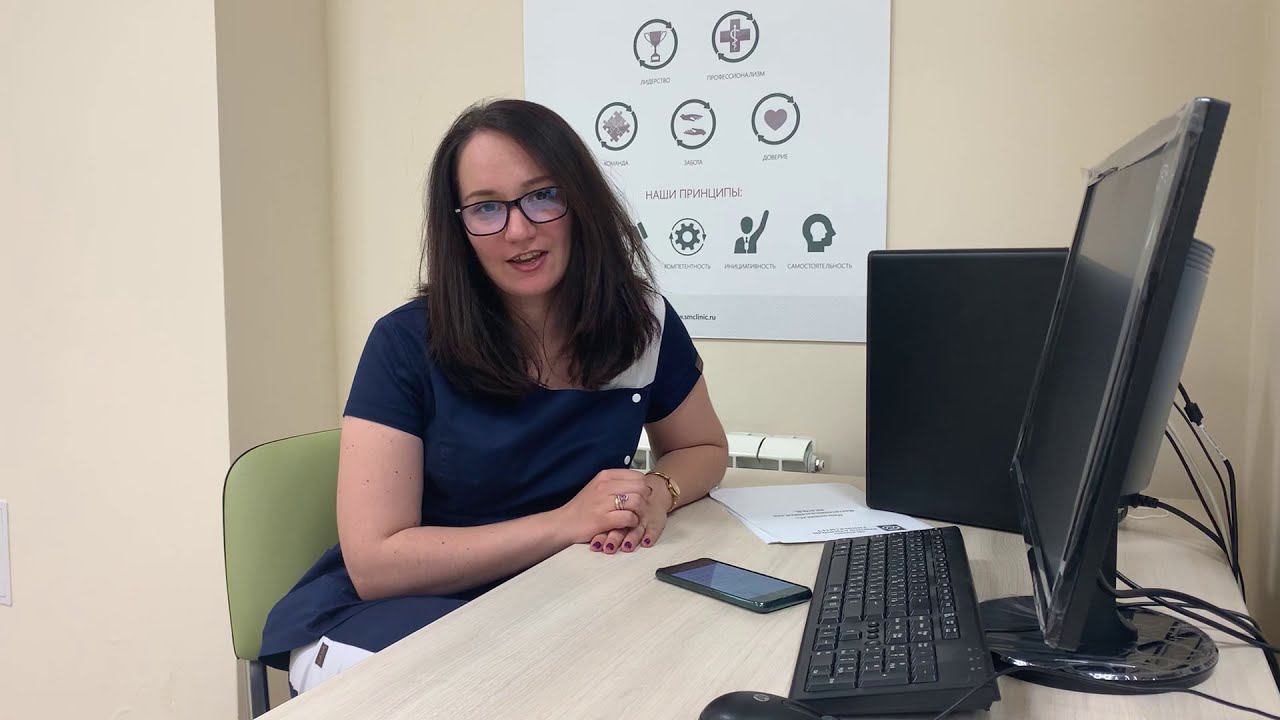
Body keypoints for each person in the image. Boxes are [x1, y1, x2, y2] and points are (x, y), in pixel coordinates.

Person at [257, 99, 730, 695]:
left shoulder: (640, 322)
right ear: (458, 227)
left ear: (581, 200)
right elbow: (377, 564)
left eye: (542, 196)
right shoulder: (405, 343)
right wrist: (567, 523)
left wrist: (660, 491)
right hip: (387, 614)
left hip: (545, 592)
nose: (519, 230)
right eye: (486, 207)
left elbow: (703, 448)